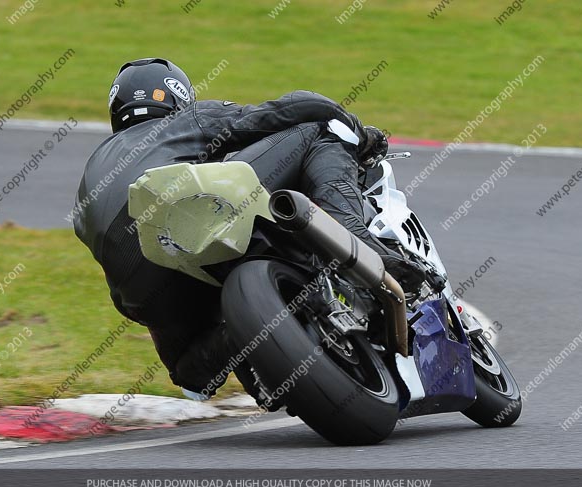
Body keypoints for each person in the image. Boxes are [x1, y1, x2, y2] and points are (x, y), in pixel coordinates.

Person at [73, 57, 443, 399]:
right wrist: (360, 134)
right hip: (189, 217)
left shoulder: (91, 172)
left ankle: (245, 340)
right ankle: (363, 246)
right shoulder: (186, 120)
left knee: (190, 373)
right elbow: (287, 110)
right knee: (317, 129)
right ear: (178, 98)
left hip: (140, 286)